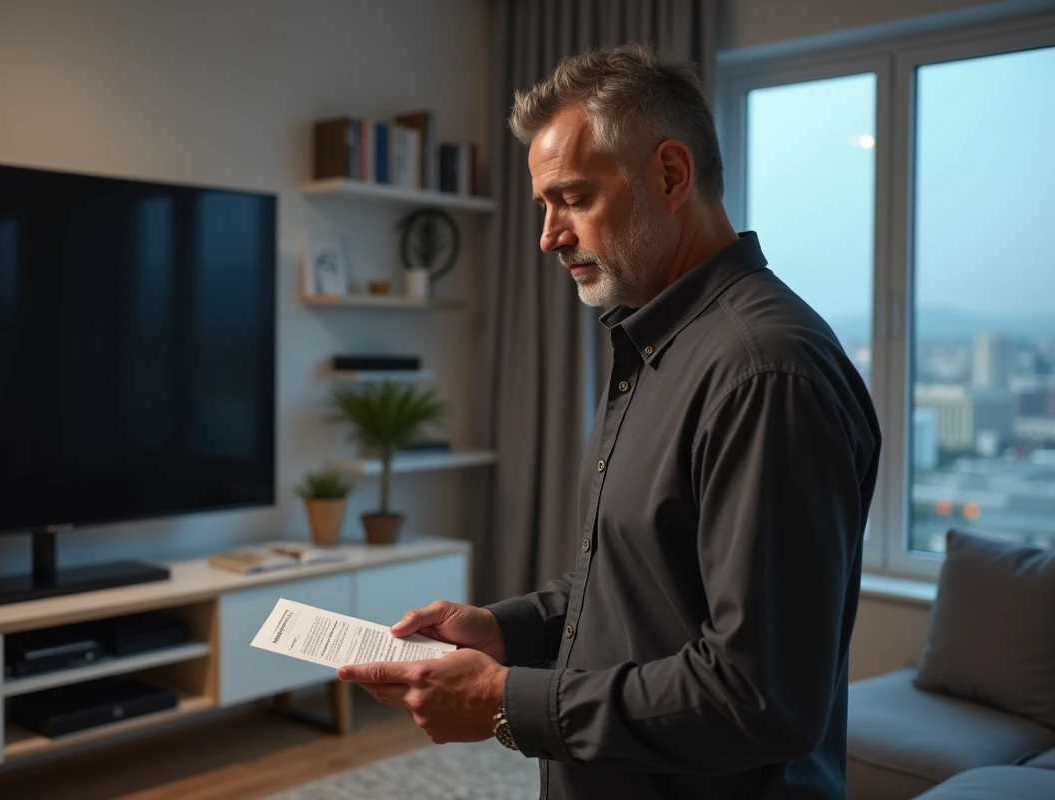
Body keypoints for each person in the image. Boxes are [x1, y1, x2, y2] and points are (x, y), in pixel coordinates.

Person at [337, 42, 881, 800]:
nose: (549, 237)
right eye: (545, 205)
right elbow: (639, 583)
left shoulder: (764, 373)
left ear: (669, 175)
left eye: (573, 198)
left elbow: (761, 699)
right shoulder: (656, 341)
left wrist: (502, 700)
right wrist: (501, 629)